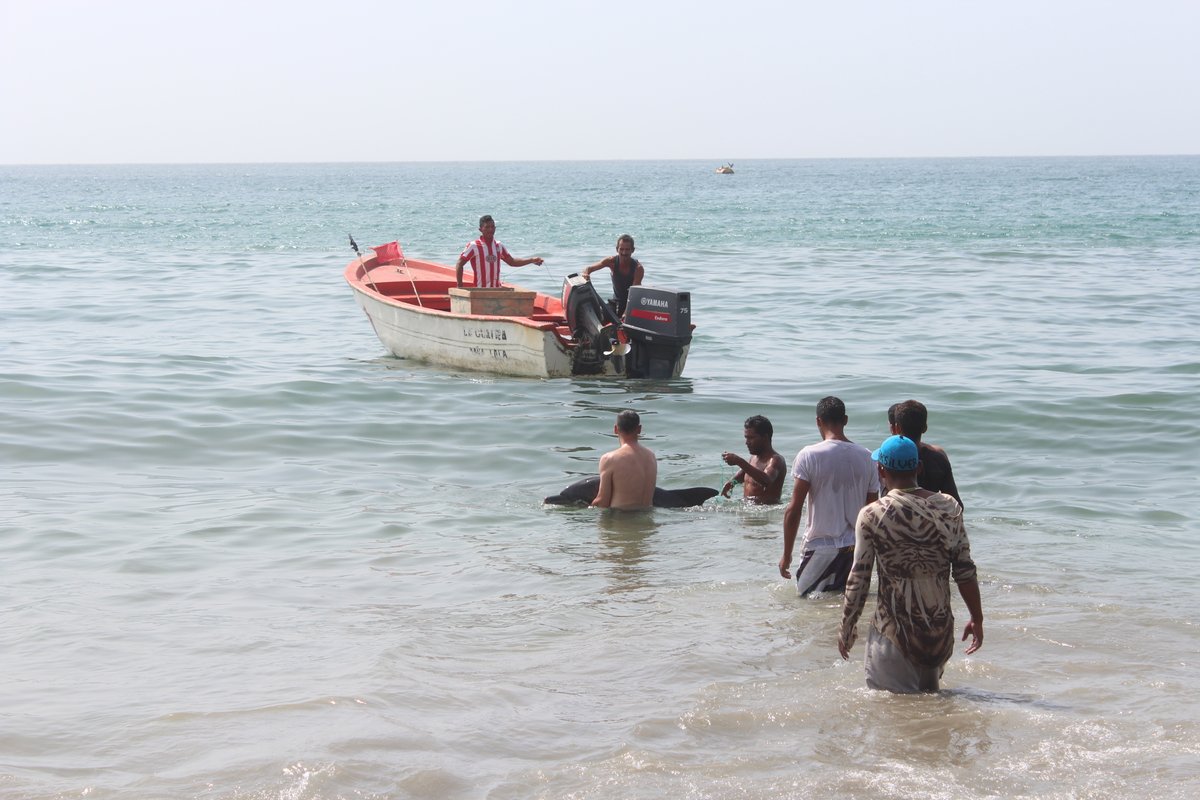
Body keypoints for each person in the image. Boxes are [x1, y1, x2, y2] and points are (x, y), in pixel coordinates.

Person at [838, 435, 983, 693]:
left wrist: (848, 627)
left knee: (892, 717)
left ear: (881, 469)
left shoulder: (872, 514)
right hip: (938, 633)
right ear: (918, 468)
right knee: (929, 711)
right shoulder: (948, 508)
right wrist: (977, 618)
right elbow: (965, 570)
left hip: (893, 633)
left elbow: (859, 578)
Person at [779, 397, 879, 596]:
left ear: (818, 421)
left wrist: (786, 555)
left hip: (819, 547)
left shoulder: (809, 455)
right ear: (846, 420)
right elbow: (873, 509)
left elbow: (794, 509)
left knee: (808, 606)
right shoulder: (867, 456)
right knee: (847, 607)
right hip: (855, 548)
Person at [889, 399, 963, 509]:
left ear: (896, 428)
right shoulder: (938, 458)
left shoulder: (888, 457)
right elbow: (957, 505)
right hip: (930, 519)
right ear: (925, 428)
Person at [591, 410, 657, 511]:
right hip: (647, 521)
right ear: (639, 429)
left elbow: (602, 501)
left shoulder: (610, 459)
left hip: (621, 520)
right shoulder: (651, 457)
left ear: (615, 429)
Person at [454, 215, 544, 288]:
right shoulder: (473, 246)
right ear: (480, 229)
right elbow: (459, 264)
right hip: (480, 290)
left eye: (492, 227)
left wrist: (531, 260)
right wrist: (460, 286)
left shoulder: (498, 246)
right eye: (487, 227)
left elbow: (512, 262)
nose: (490, 230)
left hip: (497, 290)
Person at [721, 415, 787, 504]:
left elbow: (766, 481)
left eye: (751, 438)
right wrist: (732, 483)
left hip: (765, 514)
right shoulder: (753, 458)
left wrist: (738, 461)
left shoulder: (776, 460)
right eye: (746, 437)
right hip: (748, 509)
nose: (747, 442)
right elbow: (744, 474)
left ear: (765, 438)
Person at [582, 234, 644, 317]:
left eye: (627, 249)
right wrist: (586, 274)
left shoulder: (638, 269)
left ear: (632, 250)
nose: (624, 253)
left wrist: (626, 313)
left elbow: (634, 295)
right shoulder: (611, 261)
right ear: (617, 249)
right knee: (597, 315)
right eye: (621, 249)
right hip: (616, 303)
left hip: (632, 304)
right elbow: (588, 268)